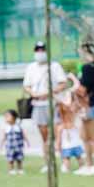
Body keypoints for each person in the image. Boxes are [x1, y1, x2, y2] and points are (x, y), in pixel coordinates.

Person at [22, 41, 70, 169]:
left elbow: (63, 83)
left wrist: (50, 92)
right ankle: (48, 163)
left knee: (56, 134)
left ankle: (63, 162)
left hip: (52, 103)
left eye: (42, 50)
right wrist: (34, 94)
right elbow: (26, 85)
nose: (40, 53)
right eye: (38, 50)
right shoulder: (31, 67)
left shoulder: (54, 66)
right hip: (38, 104)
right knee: (44, 136)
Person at [76, 46, 94, 175]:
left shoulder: (87, 69)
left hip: (89, 106)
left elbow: (82, 90)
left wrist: (73, 83)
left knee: (93, 138)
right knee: (85, 136)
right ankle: (89, 165)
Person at [0, 110, 28, 174]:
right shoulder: (6, 127)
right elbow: (4, 137)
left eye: (8, 116)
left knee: (19, 158)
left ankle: (20, 169)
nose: (6, 118)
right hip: (10, 147)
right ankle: (11, 170)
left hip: (18, 147)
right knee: (10, 159)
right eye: (5, 117)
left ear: (14, 117)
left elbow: (23, 134)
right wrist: (1, 145)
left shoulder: (18, 126)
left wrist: (27, 141)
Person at [58, 109, 84, 174]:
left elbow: (59, 139)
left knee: (66, 158)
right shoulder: (74, 125)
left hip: (67, 146)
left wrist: (58, 146)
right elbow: (80, 134)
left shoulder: (61, 127)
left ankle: (66, 168)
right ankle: (81, 167)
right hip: (76, 145)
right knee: (79, 157)